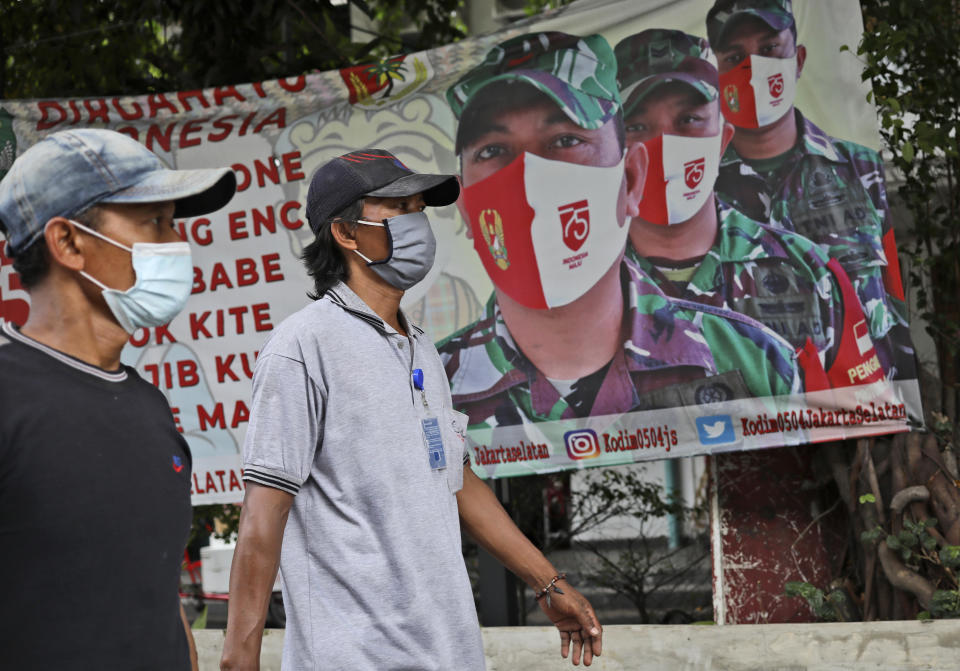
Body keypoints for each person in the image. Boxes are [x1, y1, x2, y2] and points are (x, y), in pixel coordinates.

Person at [220, 148, 604, 670]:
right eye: (397, 209)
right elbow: (264, 516)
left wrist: (549, 583)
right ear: (346, 233)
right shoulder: (303, 347)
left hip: (448, 651)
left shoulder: (419, 345)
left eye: (420, 207)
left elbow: (454, 478)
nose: (417, 223)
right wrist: (239, 658)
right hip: (356, 656)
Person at [439, 31, 800, 432]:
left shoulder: (755, 365)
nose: (527, 177)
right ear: (467, 210)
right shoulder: (424, 394)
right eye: (492, 150)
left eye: (565, 140)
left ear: (630, 179)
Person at [0, 128, 237, 669]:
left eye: (173, 221)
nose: (177, 243)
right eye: (153, 222)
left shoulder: (149, 406)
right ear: (68, 243)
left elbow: (156, 597)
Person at [614, 28, 884, 391]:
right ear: (612, 149)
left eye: (688, 120)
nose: (663, 143)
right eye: (637, 126)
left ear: (723, 139)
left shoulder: (809, 272)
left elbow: (865, 417)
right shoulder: (583, 289)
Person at [705, 0, 916, 380]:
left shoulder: (861, 168)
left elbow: (891, 297)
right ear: (714, 75)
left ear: (798, 60)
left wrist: (904, 396)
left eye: (769, 49)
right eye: (734, 56)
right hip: (759, 425)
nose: (752, 68)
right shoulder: (695, 192)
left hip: (860, 413)